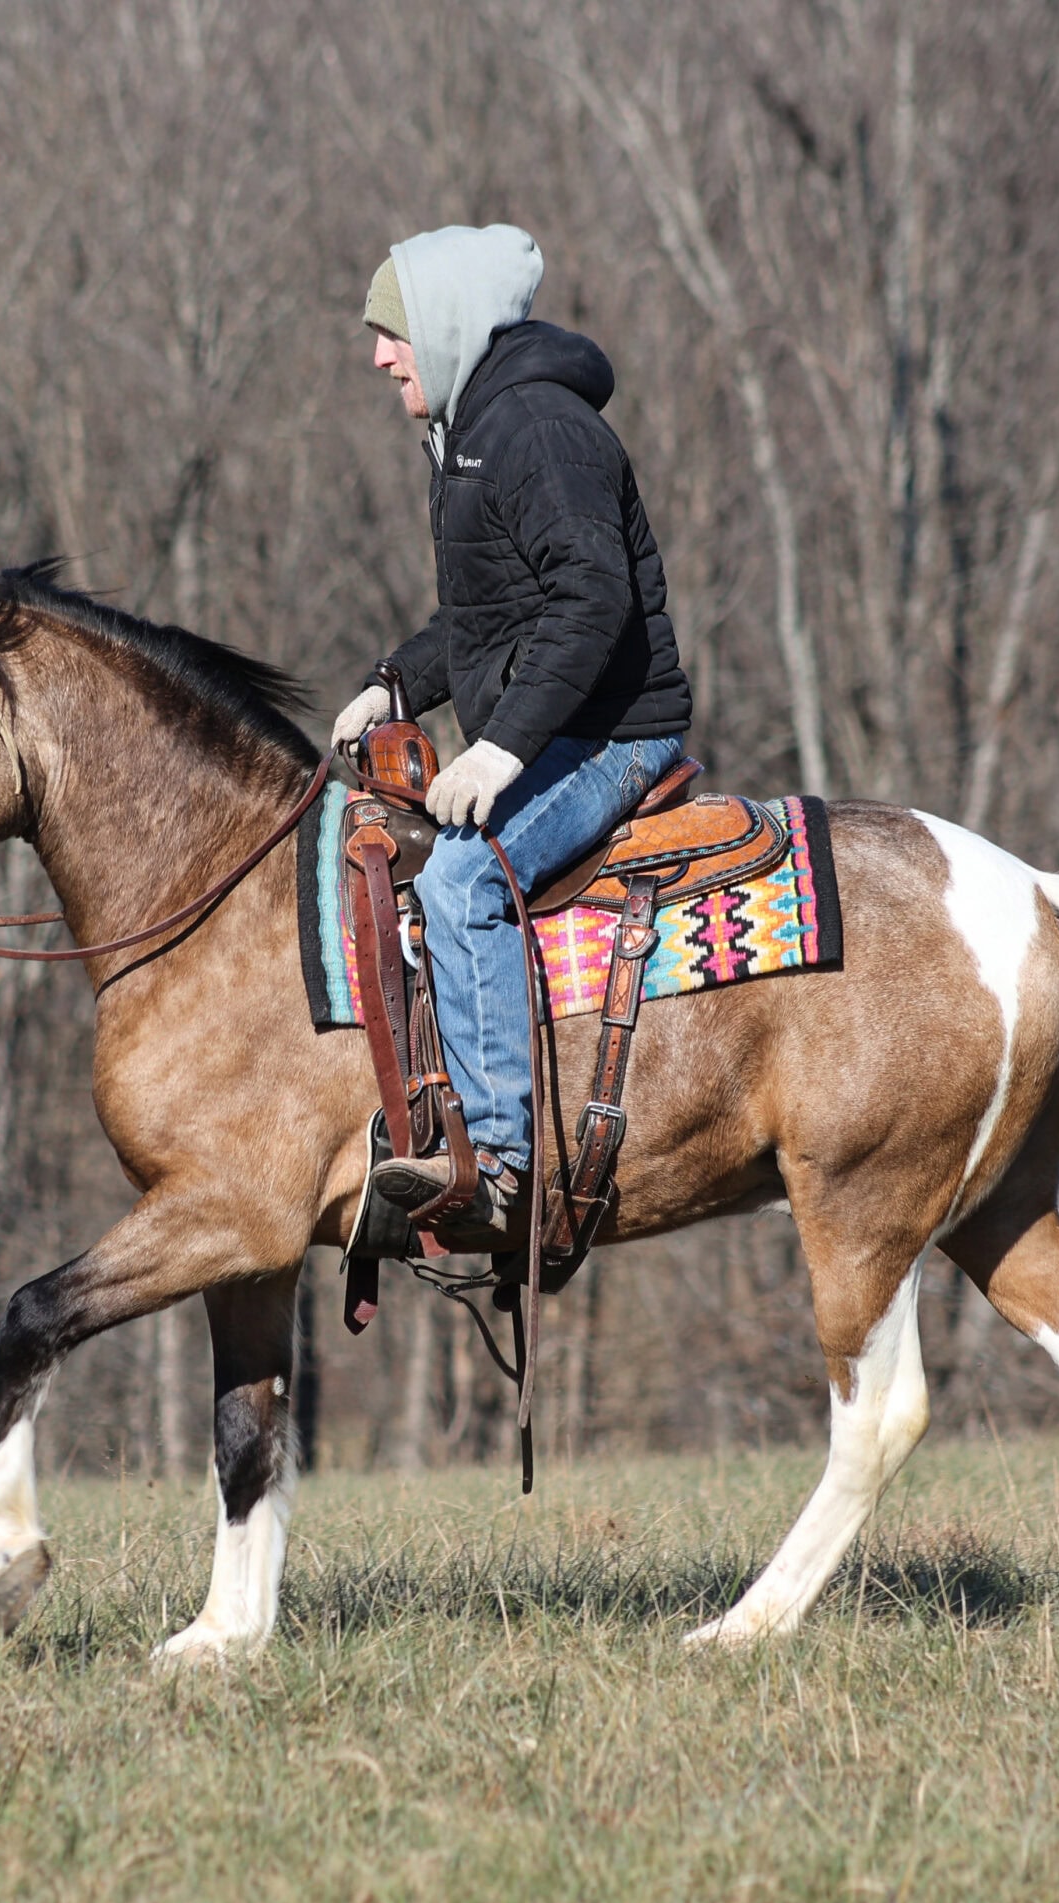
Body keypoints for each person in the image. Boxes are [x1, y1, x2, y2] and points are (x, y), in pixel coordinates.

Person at [337, 223, 695, 1245]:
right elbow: (488, 619)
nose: (379, 357)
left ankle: (500, 1166)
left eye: (392, 333)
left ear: (446, 324)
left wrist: (497, 751)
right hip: (556, 728)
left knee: (460, 881)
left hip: (614, 734)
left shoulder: (537, 430)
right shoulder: (473, 432)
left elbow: (593, 603)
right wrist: (396, 682)